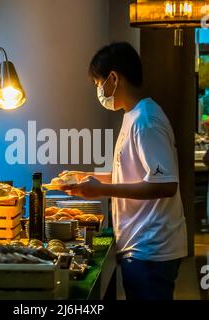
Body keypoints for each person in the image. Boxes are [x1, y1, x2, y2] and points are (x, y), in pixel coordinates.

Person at [61, 42, 188, 300]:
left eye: (98, 83)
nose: (98, 90)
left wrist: (103, 190)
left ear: (113, 78)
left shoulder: (146, 120)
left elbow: (165, 185)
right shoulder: (132, 115)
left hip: (151, 249)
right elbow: (133, 175)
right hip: (139, 246)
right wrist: (84, 177)